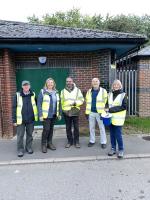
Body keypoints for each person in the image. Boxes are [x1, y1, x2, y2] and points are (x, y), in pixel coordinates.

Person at [12, 80, 38, 157]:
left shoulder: (33, 94)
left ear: (29, 86)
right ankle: (20, 150)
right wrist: (14, 120)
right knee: (20, 136)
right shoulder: (17, 95)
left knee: (30, 135)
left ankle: (28, 147)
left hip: (30, 119)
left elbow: (35, 105)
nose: (26, 86)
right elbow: (14, 108)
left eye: (27, 85)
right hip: (21, 120)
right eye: (24, 85)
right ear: (22, 86)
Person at [38, 78, 61, 153]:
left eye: (52, 83)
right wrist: (40, 115)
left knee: (51, 130)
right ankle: (43, 145)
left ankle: (49, 143)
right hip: (46, 115)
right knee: (46, 130)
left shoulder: (56, 92)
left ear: (54, 84)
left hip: (54, 115)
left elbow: (59, 104)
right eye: (49, 83)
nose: (50, 84)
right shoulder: (42, 92)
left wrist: (59, 113)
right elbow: (39, 104)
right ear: (46, 84)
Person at [61, 77, 84, 148]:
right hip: (66, 112)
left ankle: (76, 142)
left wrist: (75, 103)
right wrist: (63, 110)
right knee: (68, 128)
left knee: (76, 128)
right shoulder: (63, 91)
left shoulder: (77, 90)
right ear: (66, 82)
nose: (68, 83)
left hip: (75, 111)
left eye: (70, 81)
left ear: (72, 82)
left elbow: (82, 100)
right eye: (67, 81)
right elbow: (61, 102)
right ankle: (69, 142)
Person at [107, 79, 127, 159]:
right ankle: (113, 148)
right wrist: (105, 109)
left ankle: (121, 150)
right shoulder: (109, 94)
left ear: (120, 86)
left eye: (117, 85)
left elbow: (124, 107)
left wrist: (110, 109)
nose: (115, 86)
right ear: (113, 86)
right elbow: (107, 104)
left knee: (118, 135)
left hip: (119, 119)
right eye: (114, 85)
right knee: (112, 134)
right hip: (110, 118)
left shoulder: (123, 95)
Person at [85, 78, 107, 148]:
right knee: (91, 127)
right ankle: (92, 141)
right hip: (91, 112)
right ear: (91, 83)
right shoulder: (89, 91)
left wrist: (104, 112)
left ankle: (103, 142)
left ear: (99, 82)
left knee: (101, 127)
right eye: (93, 81)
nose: (95, 83)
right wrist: (87, 112)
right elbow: (87, 102)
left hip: (100, 113)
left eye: (96, 81)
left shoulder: (103, 91)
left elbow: (106, 102)